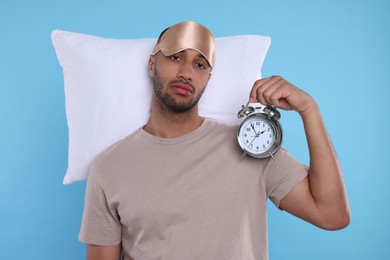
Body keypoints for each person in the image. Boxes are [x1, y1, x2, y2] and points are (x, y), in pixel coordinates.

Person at [79, 21, 350, 260]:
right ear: (152, 64)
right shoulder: (109, 168)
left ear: (209, 78)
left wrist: (309, 110)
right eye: (175, 57)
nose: (186, 72)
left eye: (200, 64)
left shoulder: (252, 148)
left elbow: (332, 215)